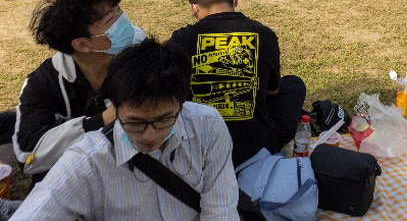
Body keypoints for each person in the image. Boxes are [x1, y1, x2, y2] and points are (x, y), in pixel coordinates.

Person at [10, 38, 239, 220]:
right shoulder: (89, 160)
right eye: (135, 122)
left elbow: (220, 211)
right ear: (114, 109)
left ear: (181, 105)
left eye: (163, 119)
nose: (150, 136)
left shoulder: (206, 126)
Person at [168, 0, 306, 166]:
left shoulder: (180, 40)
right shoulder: (265, 35)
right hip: (254, 149)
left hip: (201, 147)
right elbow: (273, 91)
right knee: (293, 85)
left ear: (193, 8)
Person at [13, 0, 144, 184]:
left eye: (118, 9)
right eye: (110, 20)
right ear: (82, 45)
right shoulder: (42, 85)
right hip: (75, 179)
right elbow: (28, 155)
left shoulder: (141, 52)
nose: (123, 19)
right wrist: (101, 121)